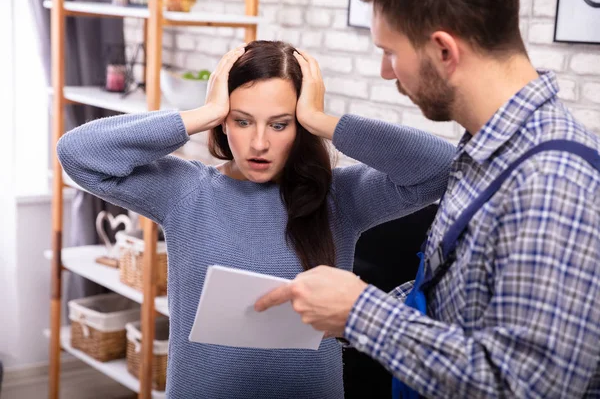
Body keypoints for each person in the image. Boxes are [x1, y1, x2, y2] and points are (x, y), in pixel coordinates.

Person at [57, 40, 455, 398]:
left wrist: (323, 121)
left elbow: (443, 168)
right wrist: (204, 112)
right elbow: (77, 154)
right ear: (224, 122)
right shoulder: (185, 190)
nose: (259, 143)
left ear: (299, 126)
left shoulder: (339, 197)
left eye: (280, 124)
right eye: (242, 121)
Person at [255, 0, 600, 398]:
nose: (386, 72)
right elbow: (454, 304)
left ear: (443, 51)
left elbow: (523, 388)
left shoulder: (552, 181)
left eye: (390, 52)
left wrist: (361, 312)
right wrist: (345, 310)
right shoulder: (487, 154)